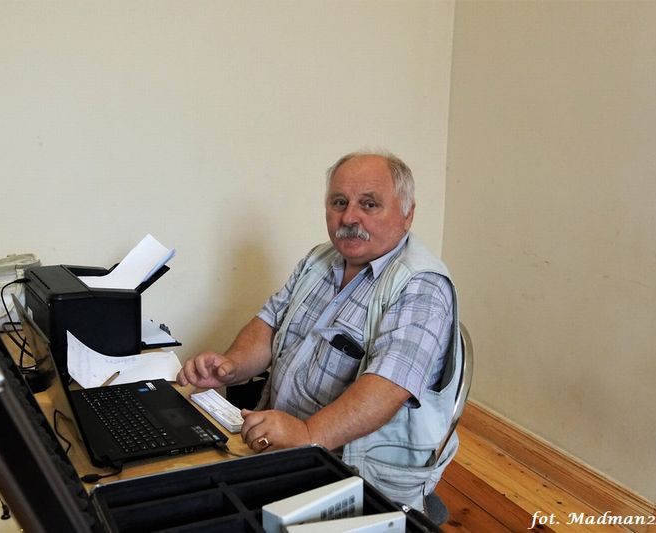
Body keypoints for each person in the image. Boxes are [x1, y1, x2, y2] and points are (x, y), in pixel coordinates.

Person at [177, 151, 461, 514]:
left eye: (369, 204)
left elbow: (388, 387)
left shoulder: (422, 285)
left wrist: (308, 434)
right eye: (339, 202)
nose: (349, 217)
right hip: (278, 442)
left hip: (354, 474)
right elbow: (269, 323)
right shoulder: (319, 259)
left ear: (407, 214)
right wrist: (230, 367)